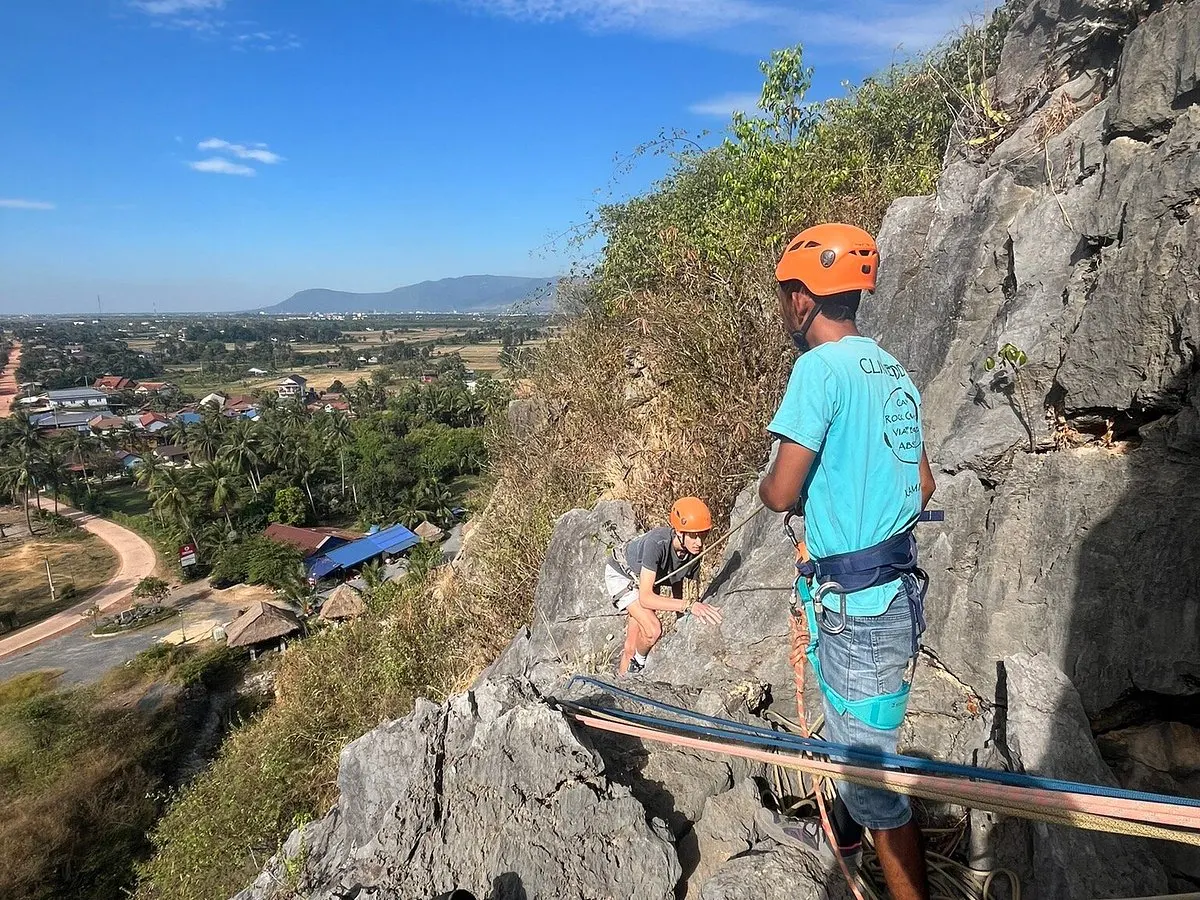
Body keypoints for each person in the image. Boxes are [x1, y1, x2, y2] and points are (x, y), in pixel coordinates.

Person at [756, 223, 936, 900]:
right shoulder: (893, 372)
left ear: (803, 299)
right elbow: (923, 484)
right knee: (851, 741)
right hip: (891, 593)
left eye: (786, 295)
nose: (785, 308)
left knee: (873, 783)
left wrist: (785, 491)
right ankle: (845, 840)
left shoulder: (817, 370)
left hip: (855, 607)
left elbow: (780, 492)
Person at [604, 497, 724, 675]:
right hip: (623, 575)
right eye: (693, 535)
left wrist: (682, 619)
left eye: (703, 534)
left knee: (633, 644)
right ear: (679, 532)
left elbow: (678, 581)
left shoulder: (693, 553)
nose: (699, 542)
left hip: (650, 578)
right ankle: (637, 665)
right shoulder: (657, 543)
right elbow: (646, 598)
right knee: (652, 631)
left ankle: (623, 680)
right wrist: (688, 606)